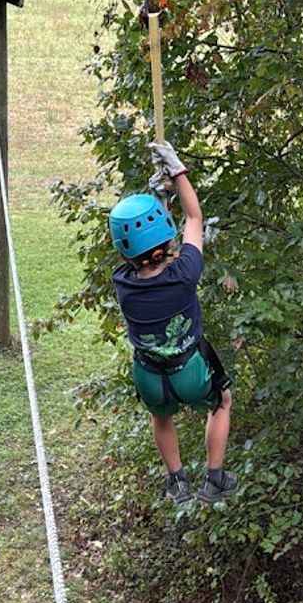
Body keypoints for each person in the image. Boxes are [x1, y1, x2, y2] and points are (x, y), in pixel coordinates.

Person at [110, 140, 236, 505]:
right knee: (221, 402)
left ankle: (176, 480)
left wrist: (155, 195)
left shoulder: (123, 283)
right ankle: (214, 478)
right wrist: (177, 171)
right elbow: (194, 218)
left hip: (150, 376)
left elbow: (141, 251)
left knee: (162, 417)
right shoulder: (185, 273)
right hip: (190, 372)